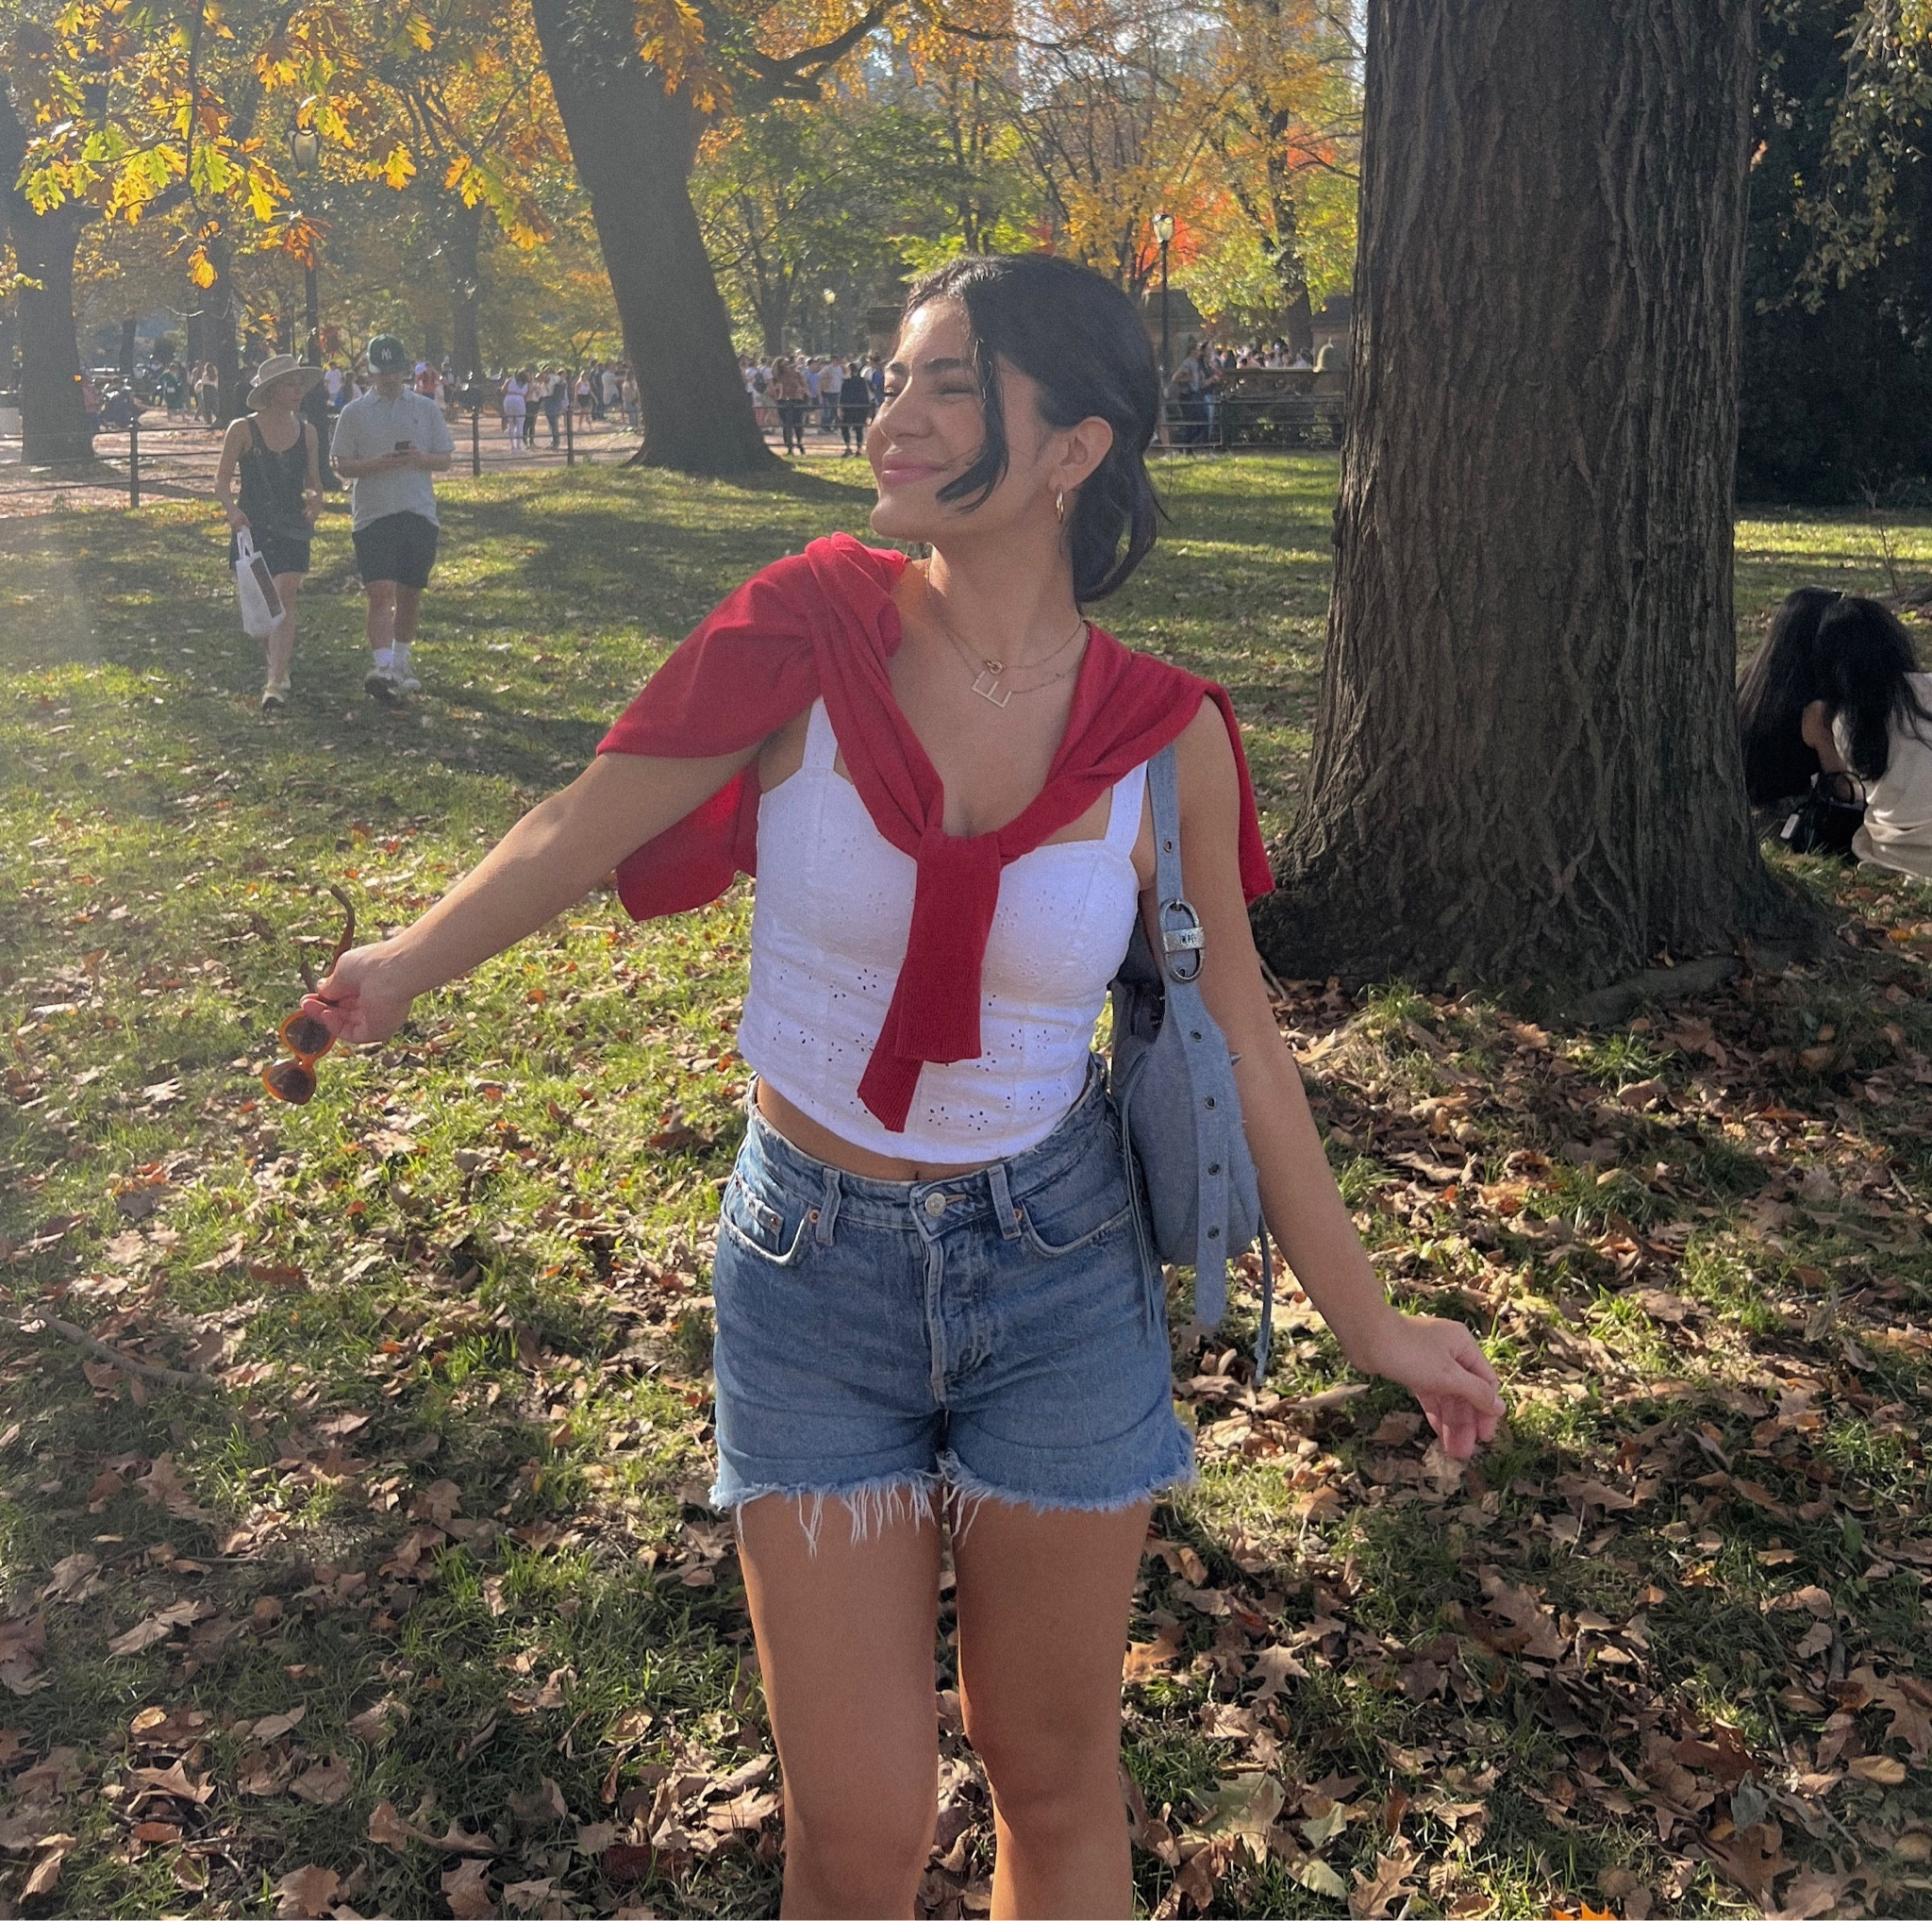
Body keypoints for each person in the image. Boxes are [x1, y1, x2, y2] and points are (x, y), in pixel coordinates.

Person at [295, 253, 1502, 1919]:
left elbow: (1236, 1031)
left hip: (1061, 1267)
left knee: (1057, 1777)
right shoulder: (803, 632)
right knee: (856, 1831)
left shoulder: (1166, 738)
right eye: (894, 376)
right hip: (811, 1276)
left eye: (948, 383)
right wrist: (400, 967)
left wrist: (1366, 1319)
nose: (894, 413)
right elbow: (591, 819)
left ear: (1072, 447)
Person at [1740, 588, 1932, 873]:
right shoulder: (1828, 715)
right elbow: (1845, 789)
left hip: (1889, 848)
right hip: (1808, 817)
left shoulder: (1750, 686)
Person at [329, 333, 455, 699]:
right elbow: (342, 466)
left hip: (418, 510)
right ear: (370, 373)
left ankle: (402, 661)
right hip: (373, 514)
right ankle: (382, 667)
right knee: (380, 591)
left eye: (395, 372)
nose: (389, 379)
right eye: (381, 372)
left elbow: (444, 459)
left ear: (404, 371)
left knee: (411, 592)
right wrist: (375, 465)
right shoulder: (353, 413)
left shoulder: (425, 409)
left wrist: (420, 459)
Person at [214, 354, 325, 711]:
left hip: (293, 526)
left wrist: (315, 500)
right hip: (254, 528)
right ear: (272, 391)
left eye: (299, 385)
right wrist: (232, 511)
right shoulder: (242, 429)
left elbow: (314, 482)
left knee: (283, 596)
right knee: (264, 609)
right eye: (291, 385)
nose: (298, 391)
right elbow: (221, 480)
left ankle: (275, 681)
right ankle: (277, 664)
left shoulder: (308, 432)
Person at [772, 356, 809, 456]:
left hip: (796, 399)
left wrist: (801, 389)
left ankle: (799, 442)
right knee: (786, 425)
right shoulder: (777, 377)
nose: (786, 367)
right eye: (783, 366)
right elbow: (773, 389)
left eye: (787, 364)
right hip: (783, 400)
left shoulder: (797, 374)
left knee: (798, 423)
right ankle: (789, 446)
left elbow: (804, 386)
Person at [837, 358, 872, 455]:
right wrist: (867, 408)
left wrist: (841, 408)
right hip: (859, 408)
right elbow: (866, 396)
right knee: (858, 429)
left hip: (849, 408)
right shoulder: (862, 382)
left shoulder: (846, 382)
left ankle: (849, 446)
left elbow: (842, 397)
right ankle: (858, 448)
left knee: (845, 428)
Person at [500, 369, 526, 448]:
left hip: (509, 398)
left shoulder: (510, 380)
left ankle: (512, 446)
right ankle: (519, 445)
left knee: (511, 423)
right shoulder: (526, 383)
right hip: (520, 399)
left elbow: (503, 390)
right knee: (520, 423)